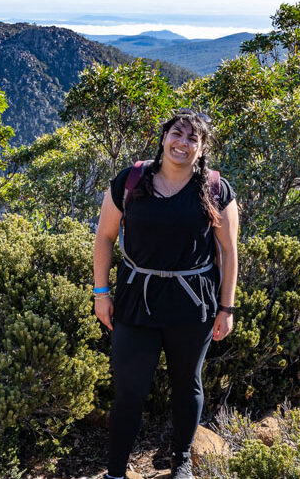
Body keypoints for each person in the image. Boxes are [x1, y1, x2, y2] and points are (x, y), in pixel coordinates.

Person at [93, 109, 239, 479]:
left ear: (202, 148)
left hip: (192, 304)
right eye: (178, 133)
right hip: (135, 300)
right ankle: (114, 472)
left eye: (193, 138)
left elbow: (229, 251)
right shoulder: (131, 181)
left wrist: (227, 307)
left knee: (186, 384)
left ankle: (182, 462)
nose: (183, 143)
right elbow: (105, 237)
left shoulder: (216, 190)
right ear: (163, 137)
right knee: (129, 388)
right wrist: (100, 293)